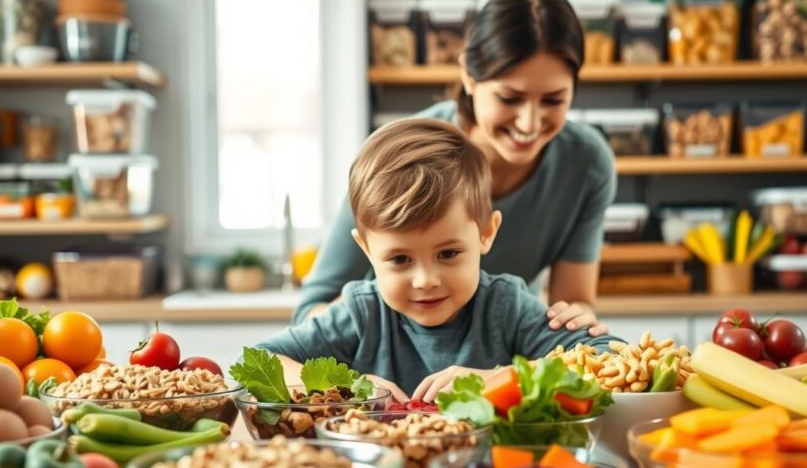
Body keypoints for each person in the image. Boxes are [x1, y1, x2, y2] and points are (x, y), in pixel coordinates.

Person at [295, 0, 617, 337]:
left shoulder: (586, 163)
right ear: (468, 75)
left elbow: (573, 302)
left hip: (492, 370)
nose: (530, 122)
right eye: (510, 98)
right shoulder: (401, 156)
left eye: (554, 100)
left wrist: (575, 322)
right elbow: (313, 310)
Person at [256, 119, 619, 401]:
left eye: (448, 253)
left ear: (486, 234)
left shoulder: (505, 306)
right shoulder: (361, 312)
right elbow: (261, 360)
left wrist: (496, 379)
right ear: (366, 250)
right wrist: (347, 385)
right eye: (399, 259)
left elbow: (606, 357)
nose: (425, 279)